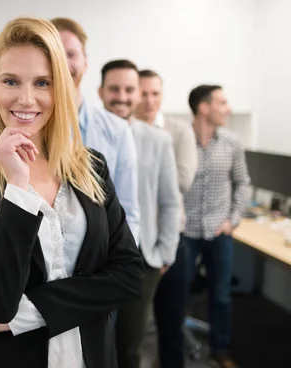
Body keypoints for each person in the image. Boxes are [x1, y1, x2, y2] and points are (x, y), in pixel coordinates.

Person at [0, 17, 144, 368]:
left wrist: (30, 312)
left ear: (60, 88)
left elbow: (128, 276)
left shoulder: (91, 167)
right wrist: (17, 187)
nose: (26, 98)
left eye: (42, 82)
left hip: (90, 355)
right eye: (11, 81)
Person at [97, 60, 179, 368]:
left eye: (129, 90)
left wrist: (164, 254)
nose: (122, 96)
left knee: (128, 346)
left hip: (141, 260)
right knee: (91, 344)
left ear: (138, 94)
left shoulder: (157, 140)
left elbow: (170, 202)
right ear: (100, 91)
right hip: (92, 260)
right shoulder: (82, 134)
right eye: (114, 89)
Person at [50, 17, 140, 243]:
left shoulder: (117, 130)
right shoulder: (28, 126)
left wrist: (123, 270)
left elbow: (128, 209)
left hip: (101, 261)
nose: (63, 62)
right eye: (54, 53)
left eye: (70, 54)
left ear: (85, 61)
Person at [184, 85, 250, 368]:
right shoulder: (180, 139)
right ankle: (171, 348)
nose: (228, 108)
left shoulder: (232, 142)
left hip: (218, 231)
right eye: (222, 102)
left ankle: (219, 349)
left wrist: (232, 220)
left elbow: (242, 182)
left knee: (221, 295)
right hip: (184, 232)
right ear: (204, 107)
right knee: (176, 293)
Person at [136, 69, 198, 368]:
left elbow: (183, 181)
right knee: (132, 331)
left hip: (173, 240)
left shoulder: (178, 130)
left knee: (170, 324)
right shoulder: (124, 130)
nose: (149, 100)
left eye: (155, 93)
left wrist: (153, 162)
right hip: (136, 243)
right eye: (143, 93)